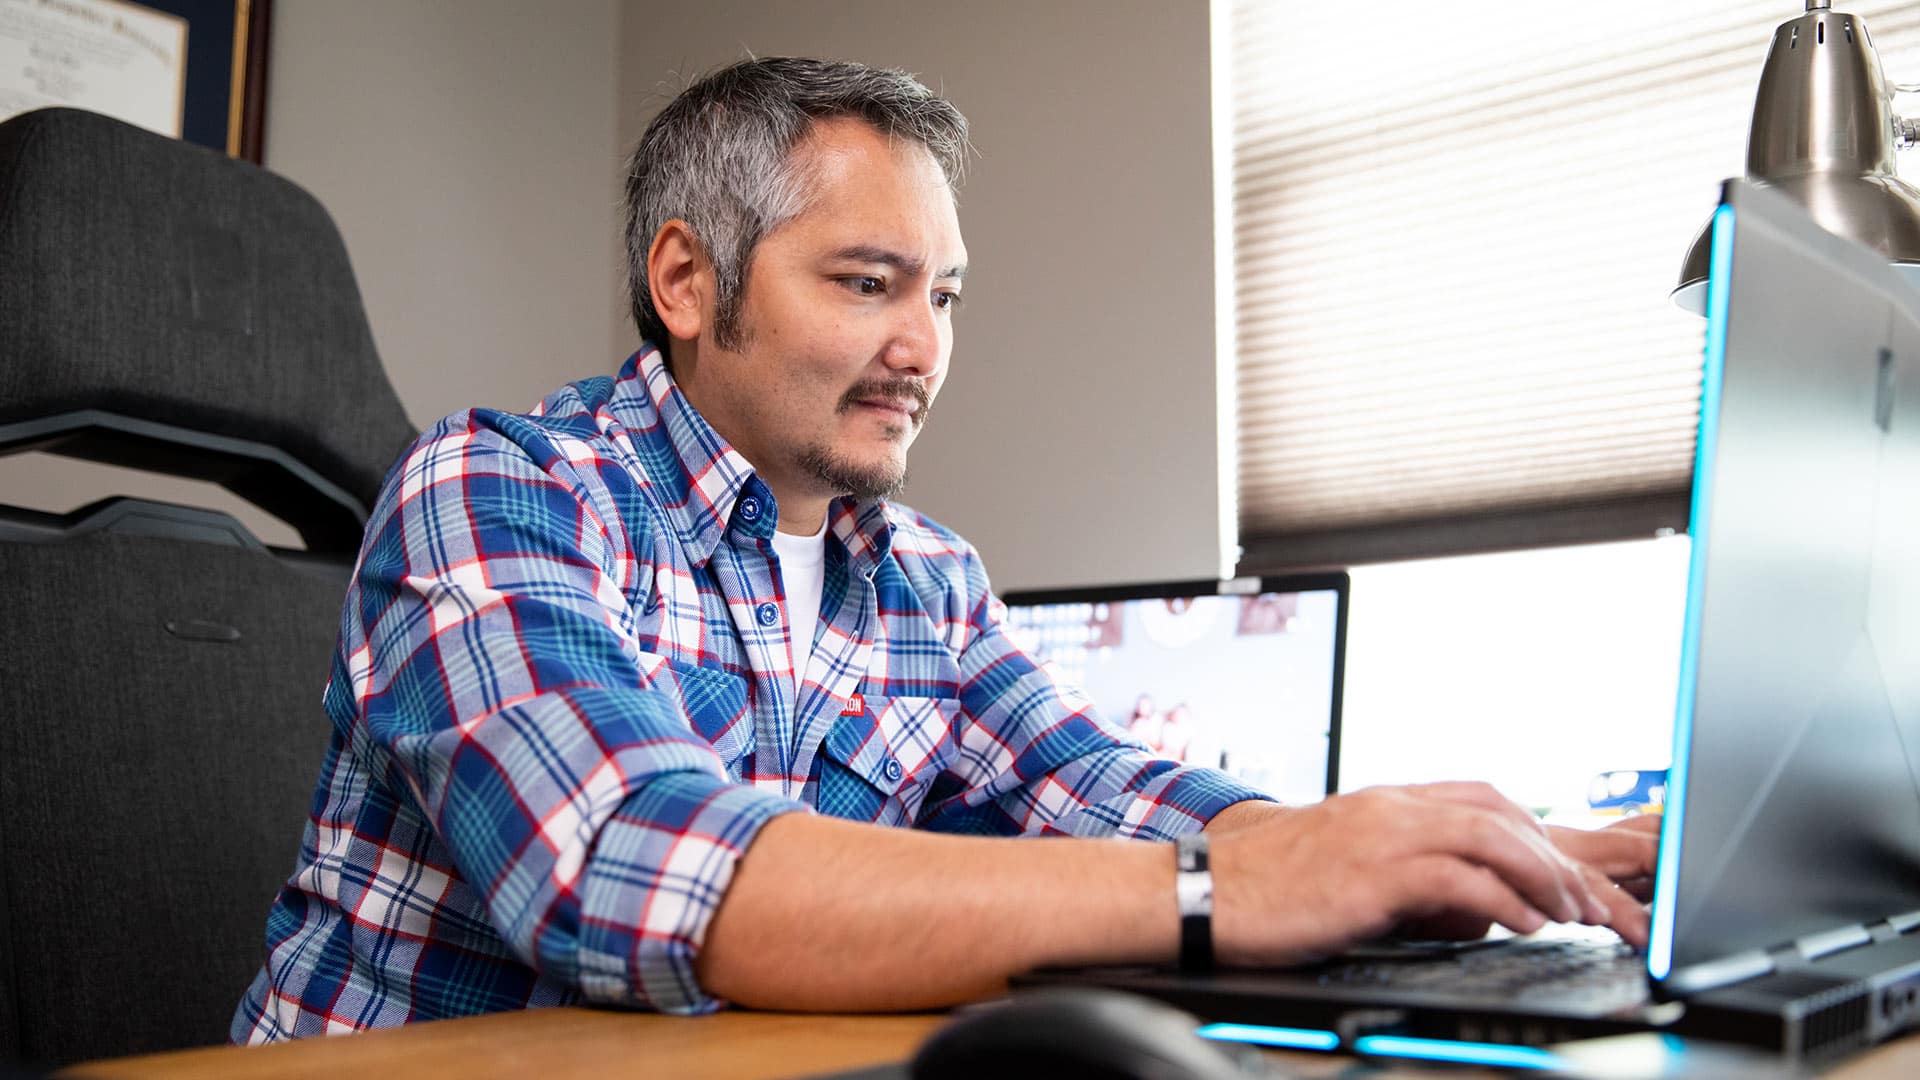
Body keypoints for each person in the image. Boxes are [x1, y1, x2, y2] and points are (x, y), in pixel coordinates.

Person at [232, 57, 1656, 1042]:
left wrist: (1468, 849)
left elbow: (1100, 789)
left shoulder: (922, 575)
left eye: (947, 296)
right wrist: (1240, 893)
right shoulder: (497, 489)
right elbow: (627, 861)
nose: (924, 352)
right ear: (684, 280)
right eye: (867, 285)